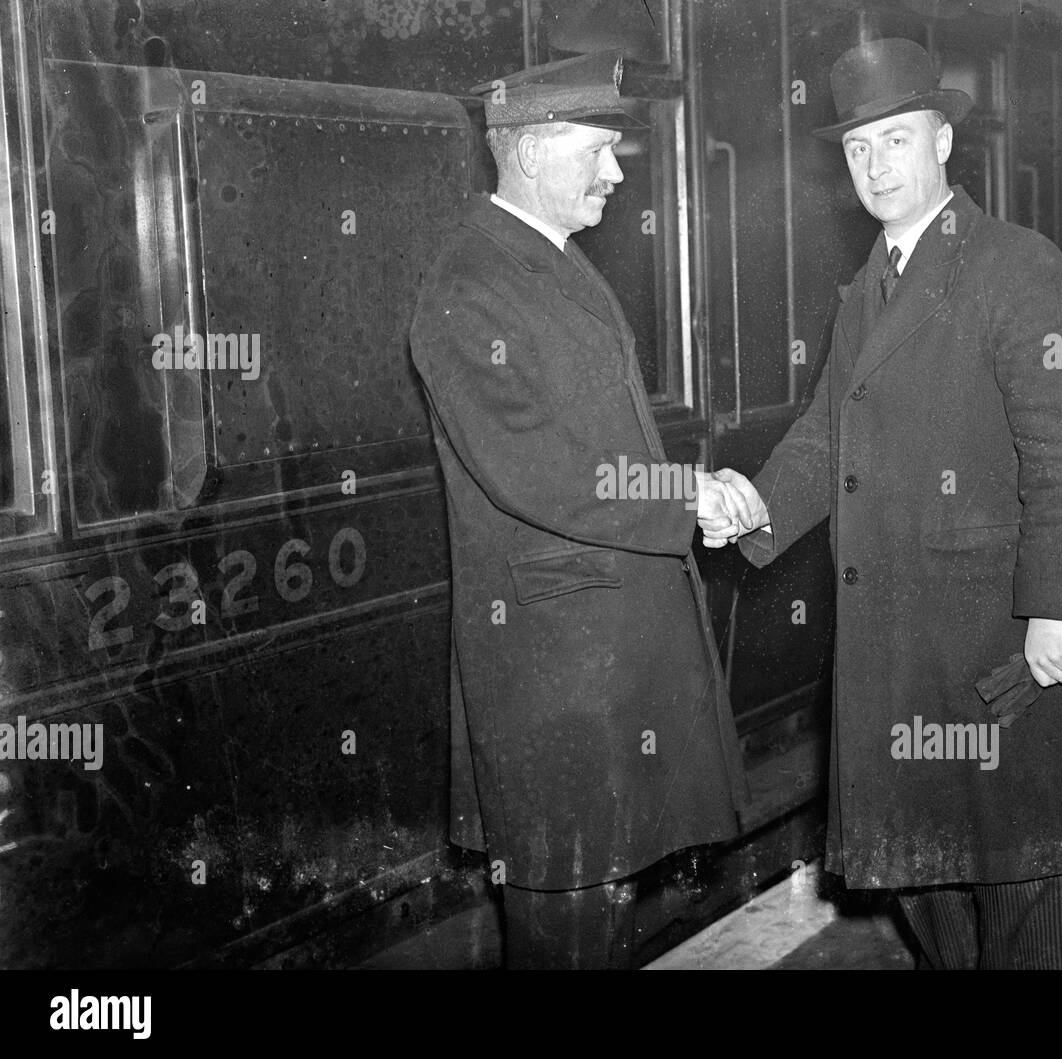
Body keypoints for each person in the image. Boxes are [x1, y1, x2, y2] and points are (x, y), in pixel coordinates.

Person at [705, 38, 1062, 969]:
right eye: (858, 149)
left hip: (1001, 648)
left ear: (943, 140)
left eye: (895, 139)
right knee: (931, 899)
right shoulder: (865, 292)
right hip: (902, 656)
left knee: (1028, 898)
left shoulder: (1019, 266)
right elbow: (826, 435)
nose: (876, 166)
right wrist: (752, 508)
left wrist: (1056, 606)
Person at [408, 50, 750, 969]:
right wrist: (683, 499)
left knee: (595, 926)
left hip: (594, 670)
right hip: (555, 685)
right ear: (526, 151)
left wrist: (686, 493)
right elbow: (546, 471)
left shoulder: (549, 266)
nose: (618, 169)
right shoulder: (469, 284)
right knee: (568, 935)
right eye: (599, 148)